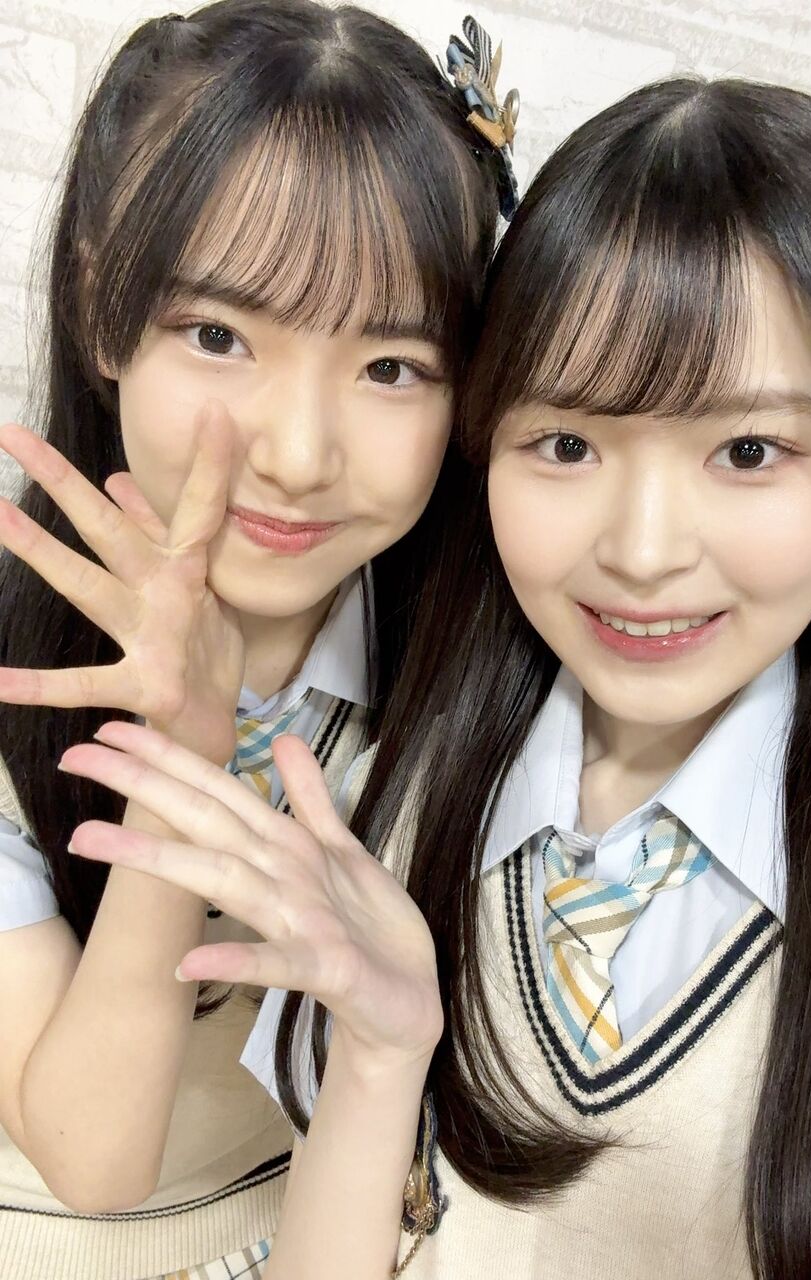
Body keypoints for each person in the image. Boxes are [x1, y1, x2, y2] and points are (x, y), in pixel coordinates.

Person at [59, 77, 811, 1280]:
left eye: (748, 450)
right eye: (568, 443)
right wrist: (382, 1054)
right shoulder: (389, 800)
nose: (643, 550)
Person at [0, 3, 513, 1277]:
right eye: (220, 335)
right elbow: (93, 1157)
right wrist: (183, 744)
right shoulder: (12, 658)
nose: (296, 453)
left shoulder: (474, 650)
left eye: (391, 365)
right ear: (102, 306)